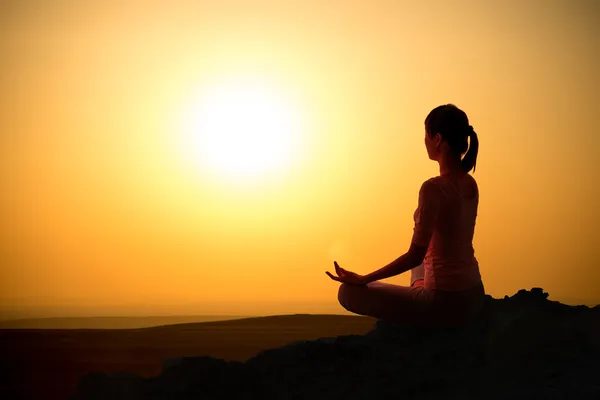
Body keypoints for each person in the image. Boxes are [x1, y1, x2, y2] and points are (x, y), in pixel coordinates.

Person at [326, 104, 486, 328]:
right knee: (420, 269)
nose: (425, 141)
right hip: (473, 294)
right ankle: (420, 290)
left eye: (426, 135)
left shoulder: (433, 188)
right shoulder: (470, 183)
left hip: (444, 304)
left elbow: (414, 255)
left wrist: (363, 279)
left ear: (437, 139)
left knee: (347, 292)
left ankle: (421, 306)